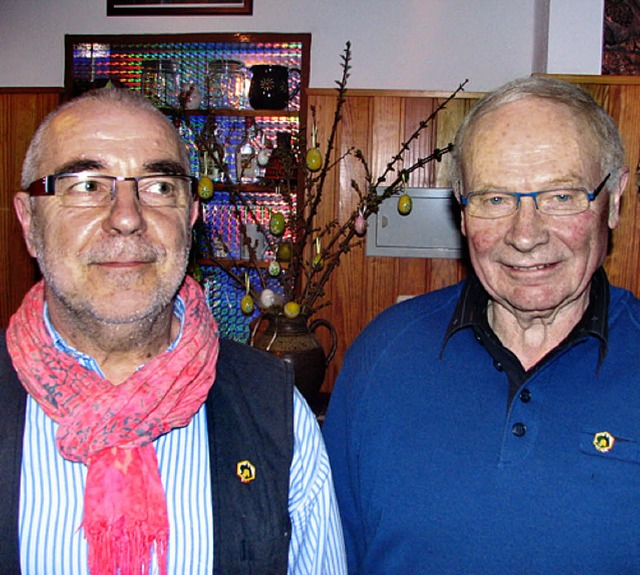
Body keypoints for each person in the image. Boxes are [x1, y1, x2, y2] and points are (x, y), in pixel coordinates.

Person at [0, 86, 346, 575]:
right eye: (87, 185)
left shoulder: (276, 411)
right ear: (30, 223)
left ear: (191, 216)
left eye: (159, 187)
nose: (126, 217)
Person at [322, 75, 639, 574]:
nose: (526, 235)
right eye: (494, 199)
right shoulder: (382, 357)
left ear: (614, 199)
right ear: (462, 211)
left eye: (561, 196)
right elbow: (329, 558)